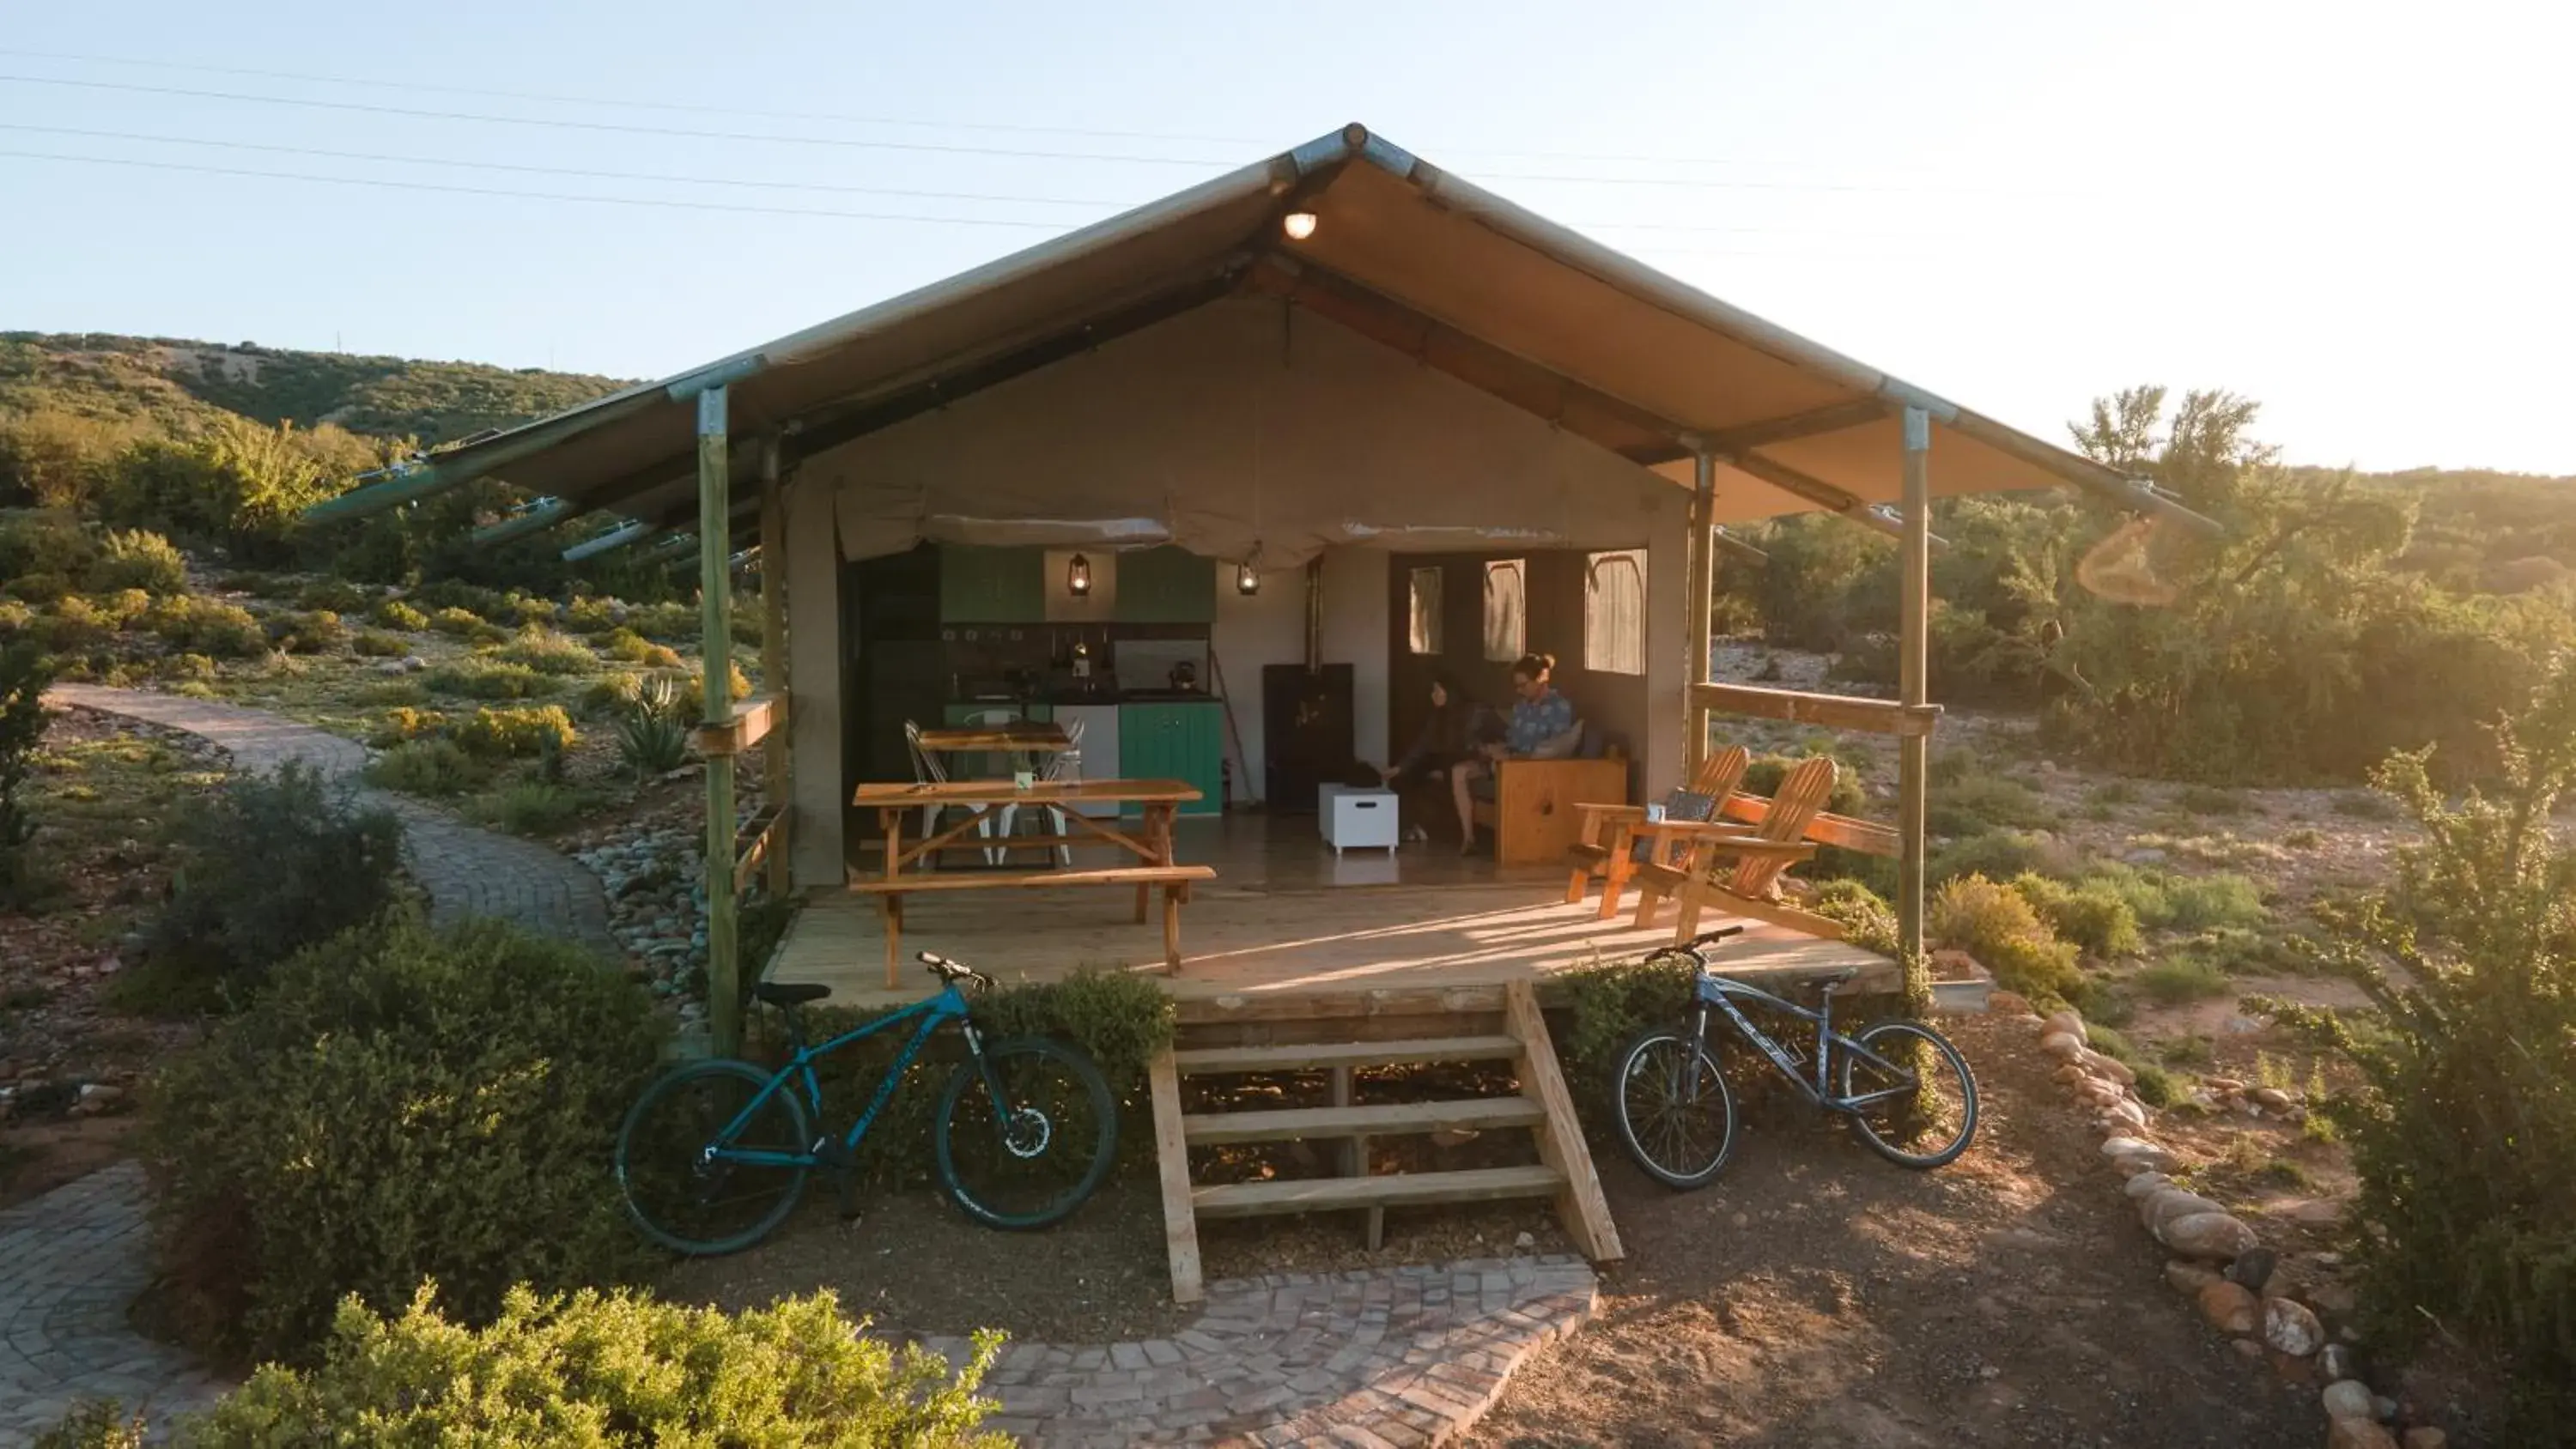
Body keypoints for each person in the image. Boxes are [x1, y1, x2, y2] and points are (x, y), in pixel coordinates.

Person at [1449, 652, 1577, 855]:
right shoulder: (1521, 707)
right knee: (1459, 771)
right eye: (1516, 686)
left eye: (1523, 685)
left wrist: (1514, 757)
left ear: (1541, 678)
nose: (1519, 690)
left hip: (1529, 766)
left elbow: (1553, 747)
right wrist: (1495, 748)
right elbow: (1513, 738)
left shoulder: (1558, 707)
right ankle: (1469, 838)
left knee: (1499, 765)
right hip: (1507, 758)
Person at [1380, 673, 1493, 843]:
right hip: (1446, 761)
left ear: (1450, 693)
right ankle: (1408, 827)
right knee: (1410, 775)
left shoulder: (1476, 711)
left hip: (1472, 760)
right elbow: (1422, 745)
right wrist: (1399, 768)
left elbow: (1495, 737)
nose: (1433, 696)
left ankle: (1430, 829)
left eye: (1437, 691)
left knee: (1444, 772)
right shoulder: (1438, 716)